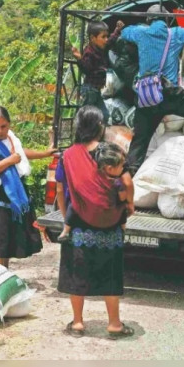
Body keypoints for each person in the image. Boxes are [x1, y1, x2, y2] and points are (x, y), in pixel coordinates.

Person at [55, 106, 135, 339]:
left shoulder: (68, 155)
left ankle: (78, 323)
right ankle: (114, 324)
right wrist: (127, 208)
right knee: (110, 274)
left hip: (79, 223)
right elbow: (126, 181)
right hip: (111, 223)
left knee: (76, 274)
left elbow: (60, 187)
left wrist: (66, 217)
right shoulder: (112, 152)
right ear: (100, 127)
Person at [120, 4, 184, 175]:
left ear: (149, 20)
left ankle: (130, 175)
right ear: (168, 19)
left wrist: (136, 27)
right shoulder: (176, 33)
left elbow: (124, 32)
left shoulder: (141, 33)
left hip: (147, 96)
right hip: (171, 94)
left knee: (140, 140)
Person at [0, 106, 55, 268]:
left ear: (9, 124)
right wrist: (9, 161)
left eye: (4, 126)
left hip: (12, 197)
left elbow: (20, 153)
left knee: (6, 245)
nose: (0, 131)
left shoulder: (10, 138)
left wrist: (44, 153)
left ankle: (4, 277)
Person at [56, 141, 131, 243]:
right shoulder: (116, 182)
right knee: (122, 208)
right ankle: (123, 230)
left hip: (88, 207)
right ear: (110, 168)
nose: (123, 168)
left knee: (73, 206)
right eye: (121, 166)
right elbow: (122, 195)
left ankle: (65, 231)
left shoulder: (91, 175)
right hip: (106, 208)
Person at [72, 20, 125, 124]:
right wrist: (79, 59)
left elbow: (110, 41)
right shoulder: (89, 53)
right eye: (103, 37)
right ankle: (79, 134)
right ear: (93, 38)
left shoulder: (101, 48)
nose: (106, 39)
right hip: (89, 90)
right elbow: (86, 69)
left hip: (95, 91)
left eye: (107, 36)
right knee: (85, 117)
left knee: (104, 116)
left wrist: (117, 30)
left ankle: (96, 135)